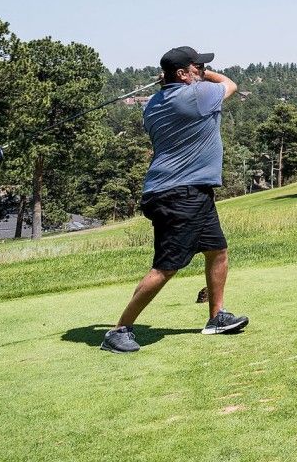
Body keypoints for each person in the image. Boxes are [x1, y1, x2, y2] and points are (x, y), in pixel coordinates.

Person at [102, 46, 249, 353]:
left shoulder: (153, 104)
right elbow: (230, 84)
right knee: (166, 267)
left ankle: (216, 317)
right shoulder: (196, 96)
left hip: (184, 190)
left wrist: (178, 78)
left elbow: (182, 87)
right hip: (181, 194)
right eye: (197, 67)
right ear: (183, 74)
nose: (202, 70)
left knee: (217, 250)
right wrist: (201, 75)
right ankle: (118, 330)